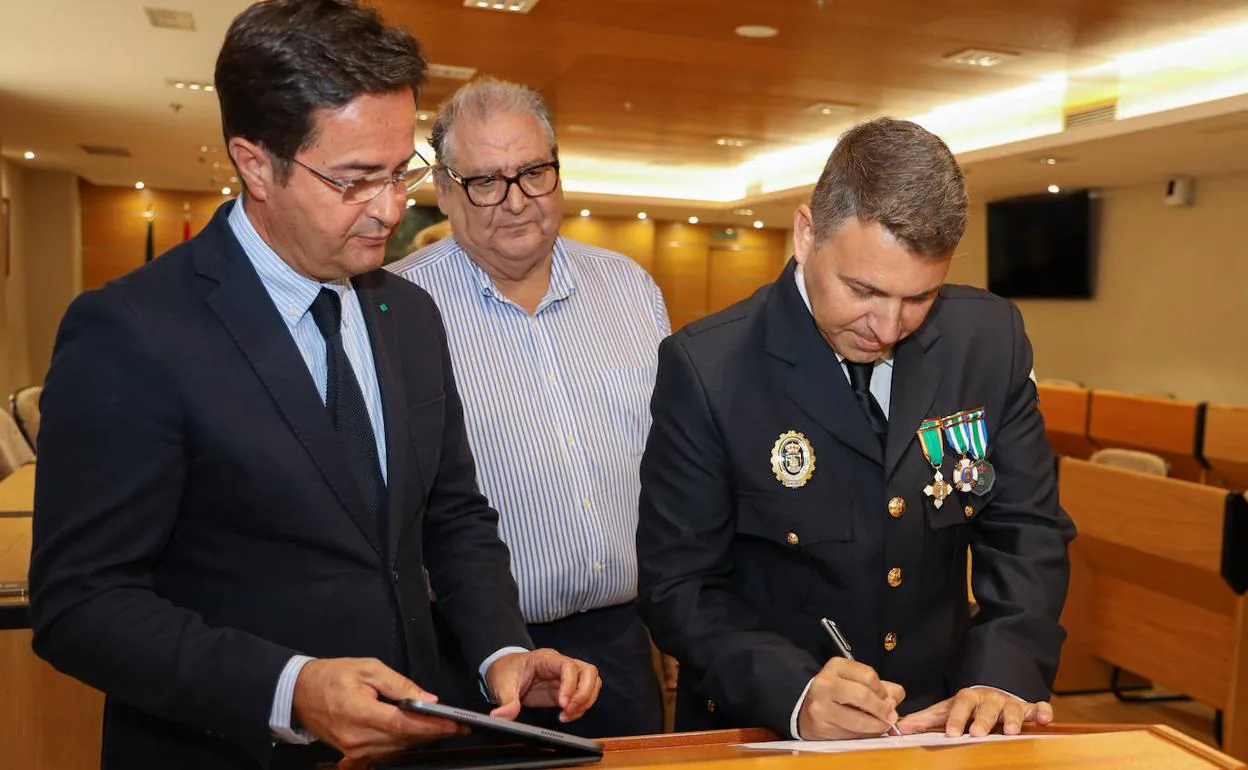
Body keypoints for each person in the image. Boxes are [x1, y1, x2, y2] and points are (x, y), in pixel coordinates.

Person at [28, 3, 599, 768]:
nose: (391, 210)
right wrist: (290, 688)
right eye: (357, 180)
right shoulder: (132, 331)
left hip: (412, 747)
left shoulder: (410, 313)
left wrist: (503, 652)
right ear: (255, 163)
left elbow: (452, 517)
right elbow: (81, 605)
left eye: (402, 174)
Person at [636, 117, 1075, 741]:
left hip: (939, 724)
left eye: (920, 297)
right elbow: (678, 586)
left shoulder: (989, 339)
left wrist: (1003, 673)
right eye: (863, 290)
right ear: (806, 234)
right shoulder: (709, 367)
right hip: (769, 728)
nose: (889, 327)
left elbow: (1027, 528)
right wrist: (794, 692)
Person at [388, 78, 669, 738]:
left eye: (533, 173)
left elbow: (675, 466)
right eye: (486, 181)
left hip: (621, 648)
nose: (515, 202)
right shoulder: (395, 311)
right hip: (464, 654)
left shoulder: (630, 289)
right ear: (445, 190)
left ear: (558, 172)